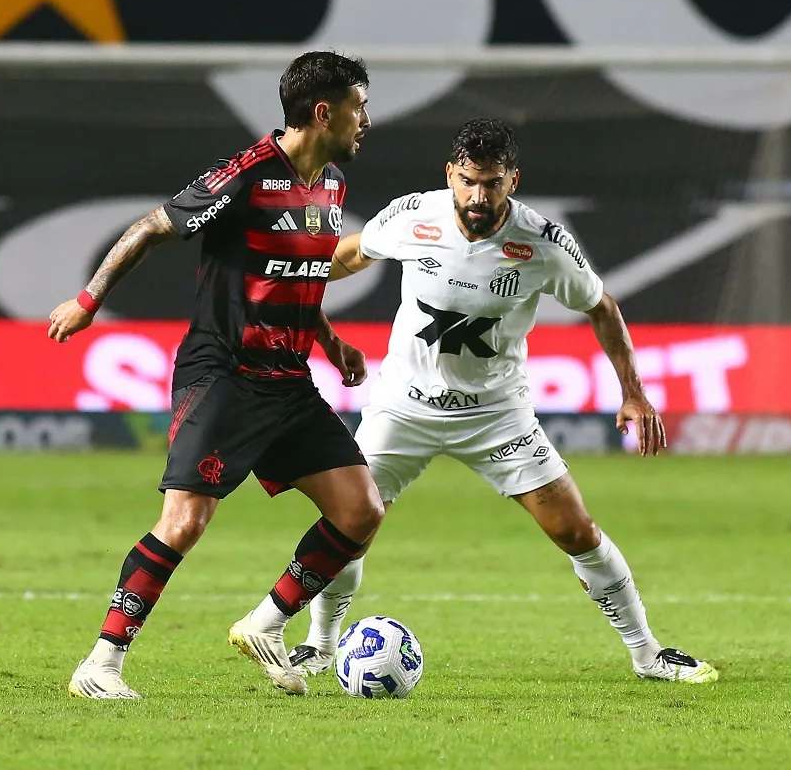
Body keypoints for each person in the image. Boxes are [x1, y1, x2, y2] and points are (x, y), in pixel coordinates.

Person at [290, 119, 718, 684]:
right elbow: (351, 255)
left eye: (492, 183)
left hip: (495, 414)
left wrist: (633, 393)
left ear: (512, 180)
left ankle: (648, 655)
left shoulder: (542, 242)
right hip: (402, 406)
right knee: (348, 522)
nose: (478, 196)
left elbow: (602, 308)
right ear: (450, 174)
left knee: (575, 531)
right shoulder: (413, 215)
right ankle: (320, 645)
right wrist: (293, 283)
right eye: (467, 181)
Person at [47, 51, 383, 699]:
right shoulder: (248, 175)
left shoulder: (332, 185)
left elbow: (295, 279)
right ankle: (101, 663)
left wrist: (333, 344)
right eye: (358, 105)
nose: (365, 118)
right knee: (185, 521)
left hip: (288, 381)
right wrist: (88, 301)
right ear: (324, 111)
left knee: (359, 508)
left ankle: (266, 624)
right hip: (223, 373)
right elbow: (150, 227)